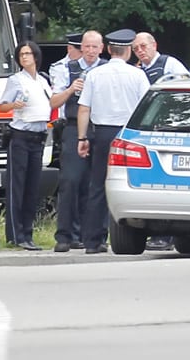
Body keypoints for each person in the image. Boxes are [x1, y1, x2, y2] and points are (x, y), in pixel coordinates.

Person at [77, 29, 150, 254]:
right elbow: (145, 108)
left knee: (98, 185)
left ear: (108, 50)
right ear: (128, 50)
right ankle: (130, 234)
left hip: (102, 134)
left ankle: (92, 240)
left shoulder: (95, 74)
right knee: (130, 183)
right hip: (129, 136)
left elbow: (84, 108)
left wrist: (82, 137)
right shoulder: (137, 75)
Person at [50, 30, 106, 252]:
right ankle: (64, 236)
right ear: (81, 47)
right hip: (73, 127)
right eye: (87, 46)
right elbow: (53, 102)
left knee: (97, 184)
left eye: (95, 47)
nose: (91, 51)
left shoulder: (107, 70)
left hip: (99, 127)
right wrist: (71, 88)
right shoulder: (67, 69)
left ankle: (96, 236)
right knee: (70, 181)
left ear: (102, 49)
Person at [132, 31, 188, 250]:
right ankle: (155, 233)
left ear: (154, 45)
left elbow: (186, 93)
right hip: (148, 132)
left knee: (166, 182)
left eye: (143, 46)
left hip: (168, 131)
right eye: (136, 49)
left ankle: (165, 235)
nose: (140, 51)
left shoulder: (170, 65)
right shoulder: (137, 70)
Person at [0, 42, 52, 250]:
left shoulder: (43, 80)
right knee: (17, 186)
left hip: (38, 136)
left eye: (28, 54)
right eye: (22, 54)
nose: (25, 58)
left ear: (36, 56)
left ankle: (28, 232)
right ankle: (15, 234)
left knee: (32, 187)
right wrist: (14, 105)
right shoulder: (16, 80)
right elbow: (2, 105)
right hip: (20, 136)